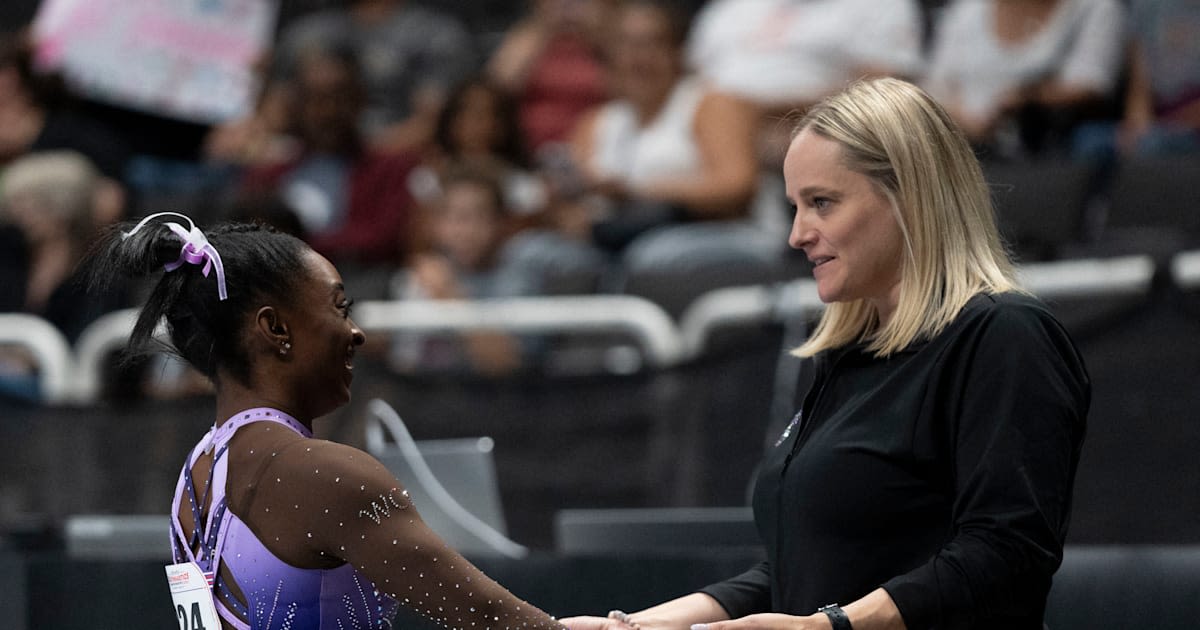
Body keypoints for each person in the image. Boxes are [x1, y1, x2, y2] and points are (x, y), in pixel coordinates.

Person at [563, 77, 1090, 629]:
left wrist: (830, 626)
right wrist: (631, 625)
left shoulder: (1005, 334)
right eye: (794, 206)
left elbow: (1006, 554)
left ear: (909, 196)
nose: (796, 234)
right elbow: (799, 573)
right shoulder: (849, 356)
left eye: (821, 203)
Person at [85, 212, 574, 629]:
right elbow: (502, 621)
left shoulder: (197, 471)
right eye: (341, 308)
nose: (357, 333)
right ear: (275, 328)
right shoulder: (326, 477)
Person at [240, 49, 420, 267]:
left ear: (359, 102)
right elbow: (248, 239)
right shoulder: (266, 176)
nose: (328, 112)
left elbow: (382, 238)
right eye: (315, 101)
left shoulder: (389, 170)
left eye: (339, 99)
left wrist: (292, 245)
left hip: (359, 280)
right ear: (296, 106)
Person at [923, 0, 1126, 158]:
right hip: (956, 143)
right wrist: (961, 120)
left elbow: (1091, 85)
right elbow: (932, 88)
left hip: (1044, 153)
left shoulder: (1093, 9)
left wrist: (1026, 99)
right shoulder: (966, 10)